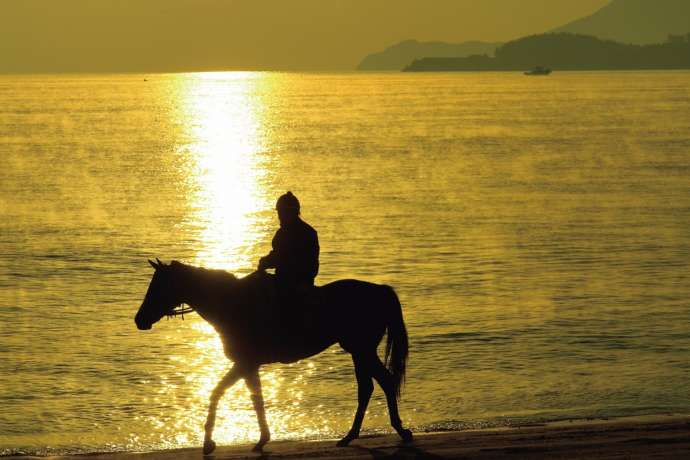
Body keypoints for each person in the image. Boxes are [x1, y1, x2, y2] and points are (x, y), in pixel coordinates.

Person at [258, 192, 319, 304]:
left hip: (287, 285)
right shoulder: (310, 232)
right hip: (303, 284)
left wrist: (264, 262)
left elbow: (280, 257)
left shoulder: (285, 233)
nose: (279, 217)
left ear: (290, 212)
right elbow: (313, 265)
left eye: (281, 213)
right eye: (279, 213)